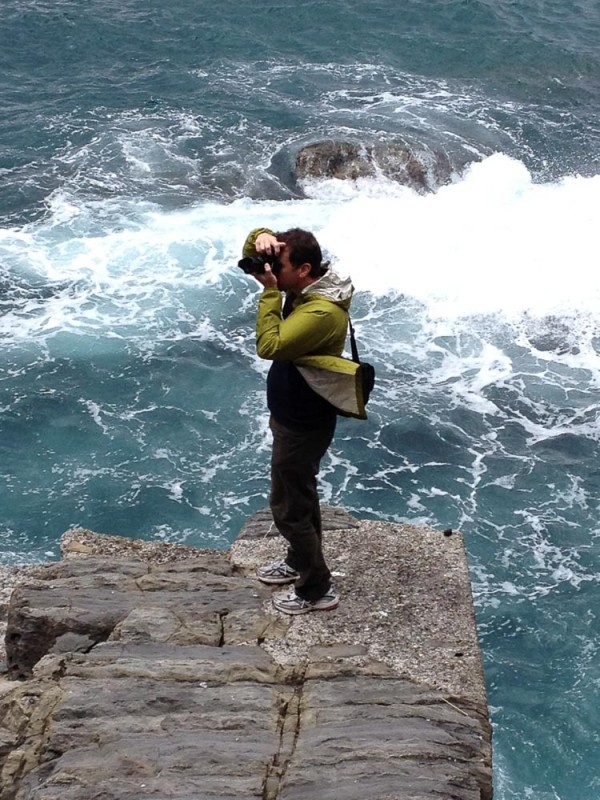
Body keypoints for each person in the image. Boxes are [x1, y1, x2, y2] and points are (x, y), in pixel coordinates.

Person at [242, 226, 354, 615]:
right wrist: (262, 236)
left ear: (304, 269)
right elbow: (252, 253)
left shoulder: (320, 311)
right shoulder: (306, 290)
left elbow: (269, 346)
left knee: (289, 507)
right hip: (293, 414)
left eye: (279, 265)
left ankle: (316, 588)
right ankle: (298, 561)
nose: (271, 269)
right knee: (300, 497)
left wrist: (270, 293)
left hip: (303, 423)